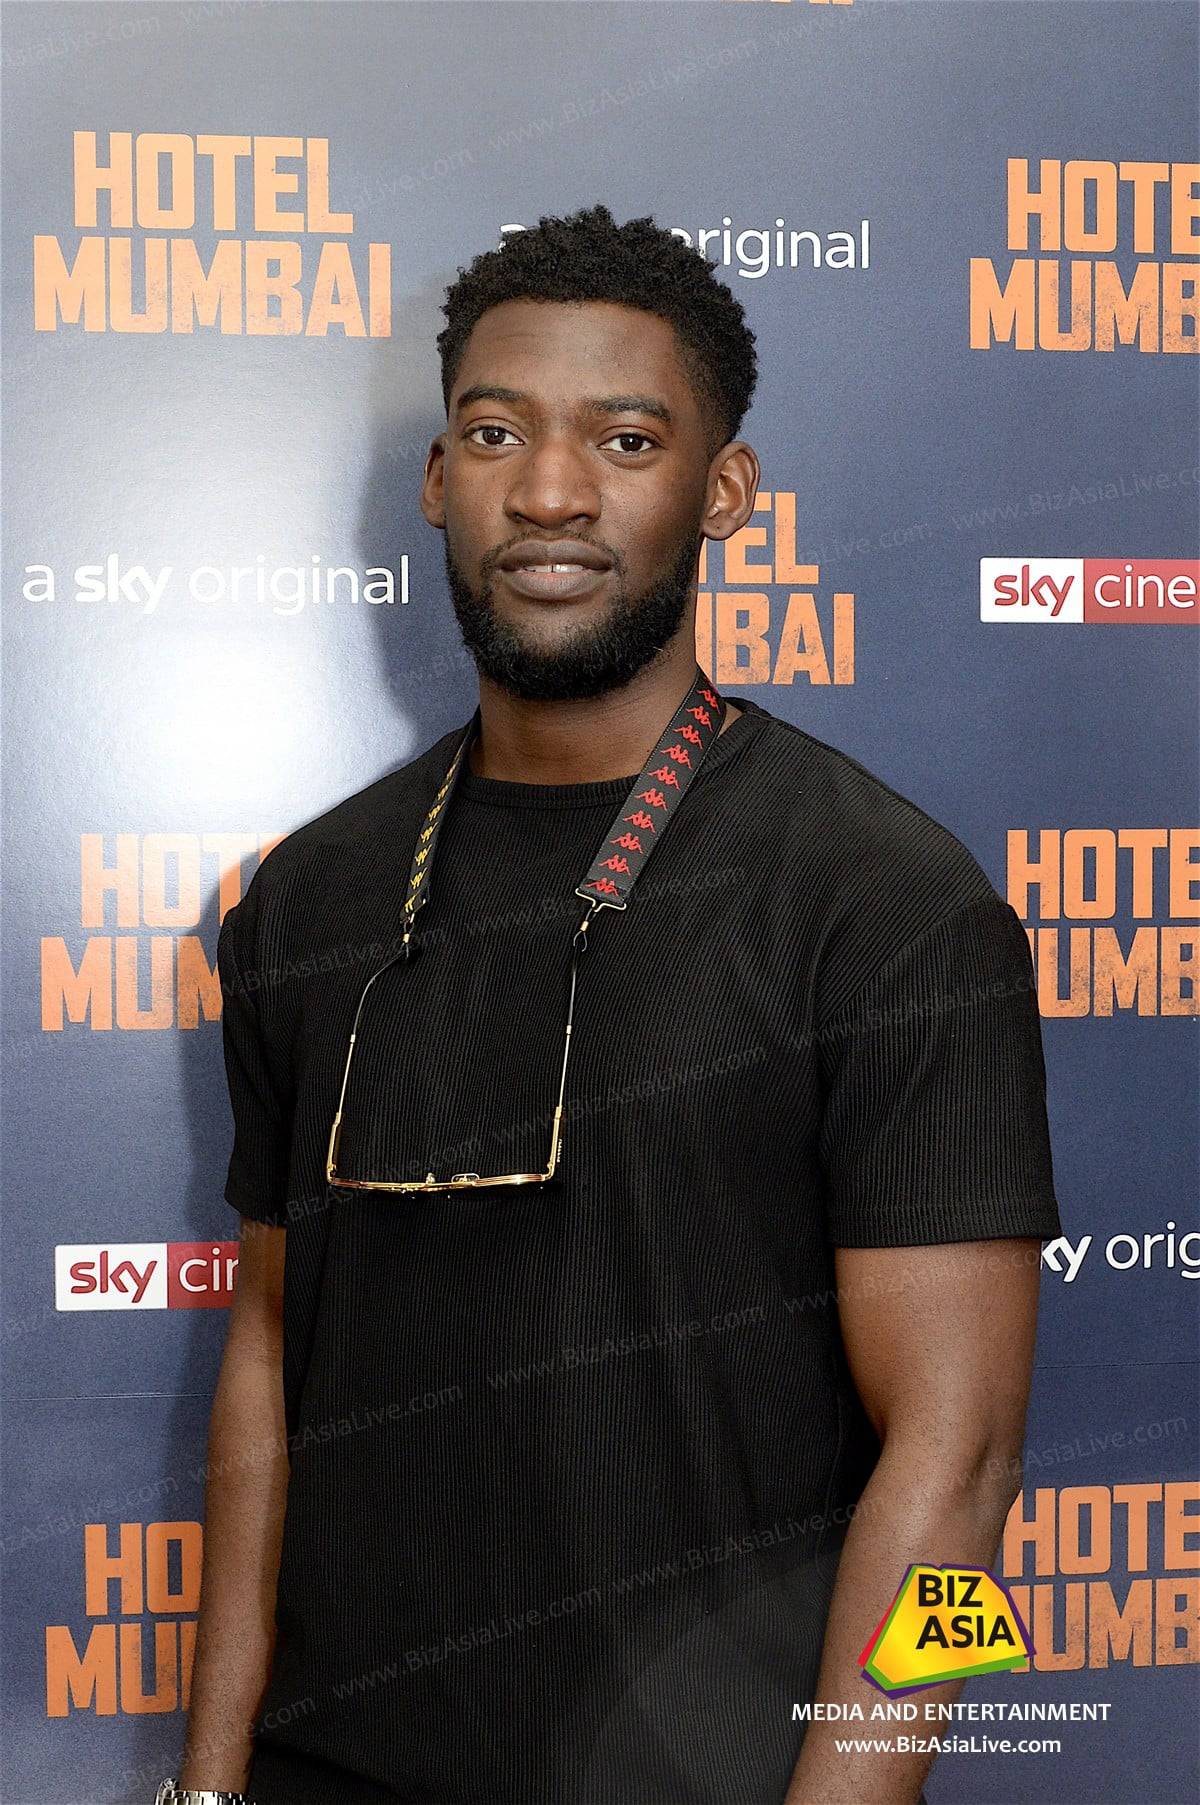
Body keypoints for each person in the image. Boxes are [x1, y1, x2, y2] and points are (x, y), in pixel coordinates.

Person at [165, 204, 1062, 1805]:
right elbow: (271, 1348)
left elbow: (965, 1461)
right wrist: (210, 1785)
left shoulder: (885, 900)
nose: (550, 492)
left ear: (725, 491)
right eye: (495, 432)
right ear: (438, 478)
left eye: (626, 439)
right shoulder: (308, 895)